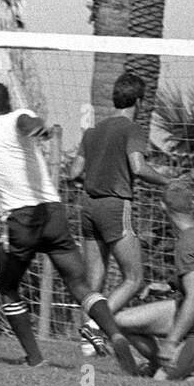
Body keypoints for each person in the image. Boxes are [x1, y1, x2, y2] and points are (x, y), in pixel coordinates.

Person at [0, 81, 139, 373]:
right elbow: (26, 122)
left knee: (7, 286)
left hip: (21, 220)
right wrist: (38, 129)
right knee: (80, 285)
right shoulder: (17, 117)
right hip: (53, 213)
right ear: (7, 102)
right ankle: (115, 333)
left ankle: (35, 358)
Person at [69, 73, 171, 357]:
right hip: (115, 206)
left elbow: (74, 172)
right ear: (139, 101)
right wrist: (167, 182)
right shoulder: (132, 129)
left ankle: (87, 348)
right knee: (134, 278)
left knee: (94, 280)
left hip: (88, 206)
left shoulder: (92, 132)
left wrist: (96, 177)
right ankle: (95, 327)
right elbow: (137, 167)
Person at [113, 183, 194, 382]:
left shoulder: (186, 244)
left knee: (161, 383)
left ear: (162, 206)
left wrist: (171, 342)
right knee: (120, 321)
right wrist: (170, 285)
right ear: (192, 205)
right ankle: (158, 366)